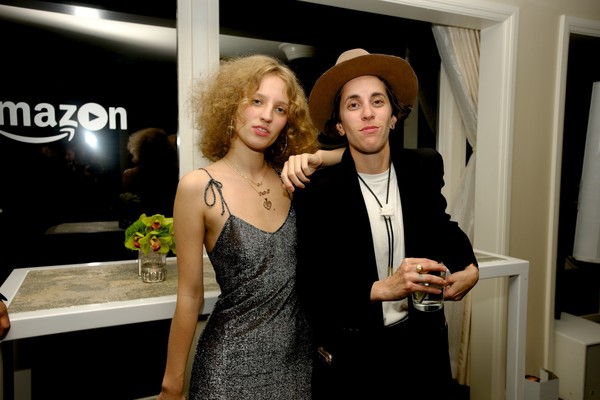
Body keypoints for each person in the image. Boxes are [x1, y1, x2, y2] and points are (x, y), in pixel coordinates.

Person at [291, 48, 480, 399]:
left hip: (423, 351)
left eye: (377, 101)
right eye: (353, 105)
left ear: (394, 115)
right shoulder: (316, 190)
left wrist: (471, 267)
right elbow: (311, 285)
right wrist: (380, 289)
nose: (367, 113)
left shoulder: (422, 167)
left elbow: (442, 226)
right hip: (355, 360)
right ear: (338, 124)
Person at [157, 54, 340, 400]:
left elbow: (360, 156)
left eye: (280, 108)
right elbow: (190, 295)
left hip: (296, 362)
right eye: (256, 100)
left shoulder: (292, 178)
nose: (267, 115)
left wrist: (318, 156)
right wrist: (171, 386)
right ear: (231, 104)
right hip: (229, 367)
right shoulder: (198, 186)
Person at [121, 127, 179, 225]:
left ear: (139, 149)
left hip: (141, 227)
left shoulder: (130, 175)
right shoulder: (175, 173)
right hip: (169, 225)